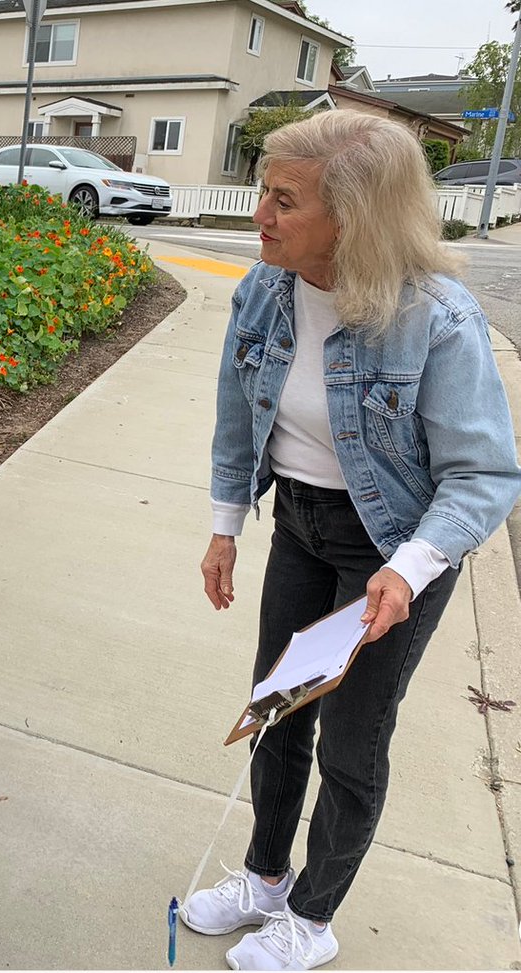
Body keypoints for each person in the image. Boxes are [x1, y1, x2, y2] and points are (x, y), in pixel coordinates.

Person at [185, 110, 521, 970]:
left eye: (283, 199)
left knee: (351, 740)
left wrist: (408, 569)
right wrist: (227, 527)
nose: (260, 212)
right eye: (264, 190)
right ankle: (264, 877)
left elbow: (484, 475)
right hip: (299, 524)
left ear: (353, 218)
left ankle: (314, 912)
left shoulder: (437, 319)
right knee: (276, 710)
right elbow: (237, 422)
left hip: (397, 554)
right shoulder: (264, 288)